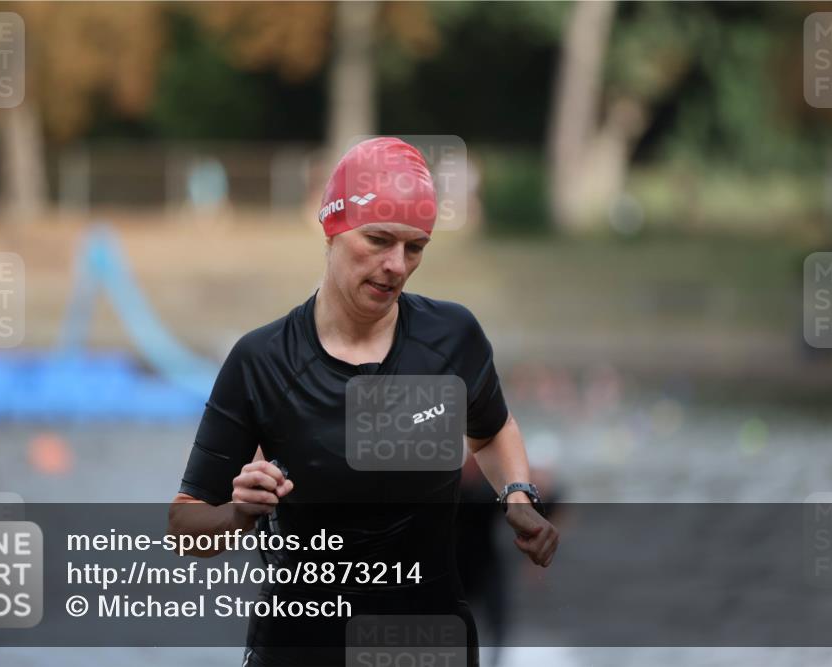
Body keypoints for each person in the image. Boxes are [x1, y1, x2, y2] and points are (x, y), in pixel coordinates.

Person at [168, 137, 559, 666]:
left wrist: (517, 495)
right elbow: (184, 528)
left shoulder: (451, 338)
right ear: (331, 228)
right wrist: (238, 512)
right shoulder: (262, 360)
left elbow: (491, 429)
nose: (396, 265)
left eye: (415, 247)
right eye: (378, 240)